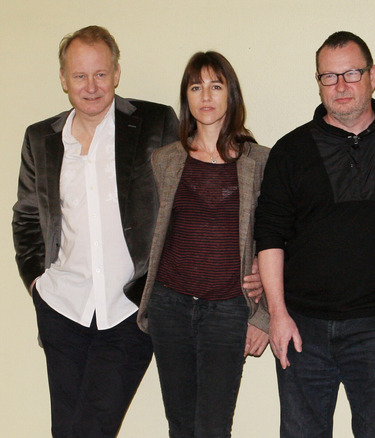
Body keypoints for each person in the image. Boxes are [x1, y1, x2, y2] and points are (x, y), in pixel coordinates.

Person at [10, 26, 178, 437]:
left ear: (117, 73)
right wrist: (37, 284)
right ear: (64, 80)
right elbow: (27, 217)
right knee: (66, 431)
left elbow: (185, 204)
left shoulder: (155, 124)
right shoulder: (40, 139)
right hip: (62, 308)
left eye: (100, 74)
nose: (91, 86)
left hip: (129, 309)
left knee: (90, 430)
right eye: (80, 76)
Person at [254, 31, 375, 438]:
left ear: (373, 75)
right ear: (318, 82)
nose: (341, 86)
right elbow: (270, 235)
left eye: (351, 73)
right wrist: (277, 315)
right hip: (302, 327)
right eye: (329, 77)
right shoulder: (289, 151)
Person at [135, 51, 270, 437]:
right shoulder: (164, 160)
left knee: (213, 427)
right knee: (180, 426)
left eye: (215, 85)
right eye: (196, 87)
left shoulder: (260, 161)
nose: (205, 95)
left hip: (227, 311)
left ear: (232, 94)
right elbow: (146, 232)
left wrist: (264, 316)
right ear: (186, 97)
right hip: (169, 306)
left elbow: (281, 242)